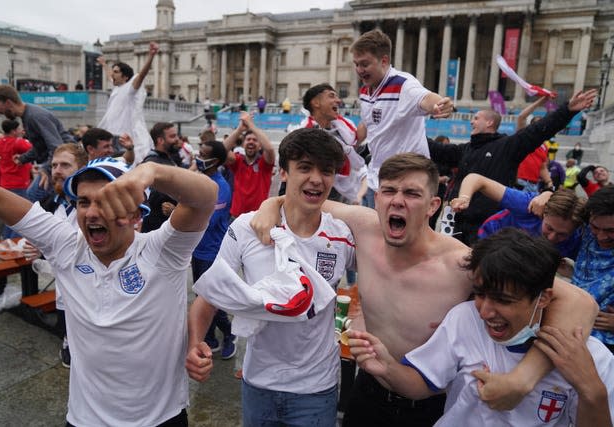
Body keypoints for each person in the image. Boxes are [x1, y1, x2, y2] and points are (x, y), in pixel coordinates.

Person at [252, 153, 597, 426]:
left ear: (433, 206)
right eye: (388, 191)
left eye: (412, 193)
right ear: (377, 198)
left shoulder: (461, 262)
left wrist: (524, 378)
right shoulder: (363, 225)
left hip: (430, 404)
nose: (397, 201)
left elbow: (580, 303)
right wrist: (270, 206)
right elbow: (303, 199)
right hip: (369, 389)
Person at [0, 155, 217, 426]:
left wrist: (151, 171)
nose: (91, 212)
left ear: (136, 214)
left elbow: (206, 197)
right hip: (84, 419)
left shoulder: (163, 251)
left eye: (106, 201)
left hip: (161, 418)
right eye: (83, 201)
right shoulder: (65, 245)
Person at [348, 228, 614, 426]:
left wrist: (591, 391)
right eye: (480, 294)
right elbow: (424, 382)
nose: (485, 311)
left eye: (503, 300)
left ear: (543, 298)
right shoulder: (464, 320)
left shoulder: (593, 359)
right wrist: (389, 368)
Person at [187, 128, 355, 426]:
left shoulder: (343, 235)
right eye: (304, 167)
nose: (317, 179)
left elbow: (379, 282)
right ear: (284, 172)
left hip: (316, 388)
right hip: (259, 384)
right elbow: (208, 297)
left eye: (326, 171)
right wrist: (195, 344)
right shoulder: (246, 228)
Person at [428, 89, 597, 245]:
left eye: (476, 118)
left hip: (488, 228)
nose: (471, 121)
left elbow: (538, 131)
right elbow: (436, 150)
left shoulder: (508, 146)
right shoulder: (465, 149)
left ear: (489, 122)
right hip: (457, 223)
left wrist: (567, 110)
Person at [351, 29, 453, 201]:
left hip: (405, 185)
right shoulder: (365, 90)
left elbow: (426, 97)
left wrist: (440, 104)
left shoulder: (403, 84)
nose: (359, 70)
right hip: (375, 181)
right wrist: (348, 144)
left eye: (365, 64)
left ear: (384, 61)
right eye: (356, 64)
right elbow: (369, 123)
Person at [22, 143, 89, 368]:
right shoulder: (51, 204)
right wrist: (37, 249)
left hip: (91, 294)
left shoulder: (94, 205)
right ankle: (67, 342)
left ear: (81, 170)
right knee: (69, 345)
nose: (57, 170)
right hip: (63, 293)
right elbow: (41, 237)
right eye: (54, 165)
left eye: (65, 165)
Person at [450, 174, 584, 259]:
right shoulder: (529, 205)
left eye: (562, 235)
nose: (552, 237)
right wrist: (464, 198)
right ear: (543, 212)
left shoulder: (580, 237)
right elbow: (476, 179)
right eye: (549, 228)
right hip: (489, 240)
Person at [0, 84, 75, 201]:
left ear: (8, 103)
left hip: (67, 162)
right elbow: (41, 147)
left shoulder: (35, 116)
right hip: (59, 163)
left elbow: (57, 147)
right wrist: (23, 158)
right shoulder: (28, 116)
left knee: (31, 199)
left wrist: (45, 169)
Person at [191, 140, 236, 359]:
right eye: (198, 152)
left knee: (211, 298)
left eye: (202, 154)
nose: (198, 157)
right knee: (201, 294)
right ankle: (209, 339)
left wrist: (183, 209)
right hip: (197, 250)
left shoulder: (220, 187)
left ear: (215, 161)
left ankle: (229, 333)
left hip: (212, 251)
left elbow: (208, 219)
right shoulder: (201, 179)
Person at [299, 83, 367, 204]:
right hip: (320, 193)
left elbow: (356, 142)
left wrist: (369, 113)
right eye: (331, 96)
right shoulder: (304, 134)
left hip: (349, 191)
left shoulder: (342, 125)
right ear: (316, 103)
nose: (338, 100)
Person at [97, 42, 159, 166]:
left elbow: (142, 75)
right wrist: (104, 64)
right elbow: (109, 75)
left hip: (124, 137)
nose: (112, 75)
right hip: (112, 134)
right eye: (113, 71)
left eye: (116, 72)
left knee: (124, 166)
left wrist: (151, 56)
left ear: (125, 77)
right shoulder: (117, 87)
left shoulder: (130, 89)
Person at [571, 186, 614, 353]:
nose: (602, 236)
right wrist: (545, 196)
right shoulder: (586, 232)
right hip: (569, 327)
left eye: (611, 231)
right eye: (596, 227)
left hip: (605, 345)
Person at [223, 111, 276, 219]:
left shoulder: (264, 164)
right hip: (236, 217)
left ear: (260, 146)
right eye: (248, 139)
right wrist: (239, 130)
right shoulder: (237, 161)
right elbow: (221, 151)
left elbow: (270, 149)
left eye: (255, 140)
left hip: (257, 218)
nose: (251, 142)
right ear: (243, 144)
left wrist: (251, 125)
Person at [141, 122, 182, 232]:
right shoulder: (153, 163)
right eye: (172, 136)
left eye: (176, 135)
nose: (177, 139)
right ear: (160, 140)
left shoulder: (168, 159)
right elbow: (152, 196)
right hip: (156, 229)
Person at [515, 96, 553, 193]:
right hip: (519, 182)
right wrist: (539, 103)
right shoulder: (524, 136)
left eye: (542, 125)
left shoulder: (544, 146)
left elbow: (542, 167)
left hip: (534, 185)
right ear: (531, 126)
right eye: (537, 124)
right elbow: (521, 117)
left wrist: (549, 182)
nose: (540, 127)